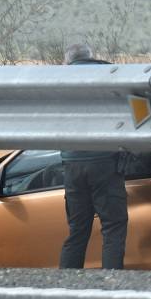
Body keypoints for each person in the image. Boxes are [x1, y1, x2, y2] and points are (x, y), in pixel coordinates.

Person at [59, 43, 128, 269]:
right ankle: (112, 284)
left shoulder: (58, 81)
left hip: (72, 164)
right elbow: (134, 107)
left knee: (77, 231)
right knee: (113, 227)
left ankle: (66, 286)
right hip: (105, 161)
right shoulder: (109, 75)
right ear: (91, 57)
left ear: (68, 61)